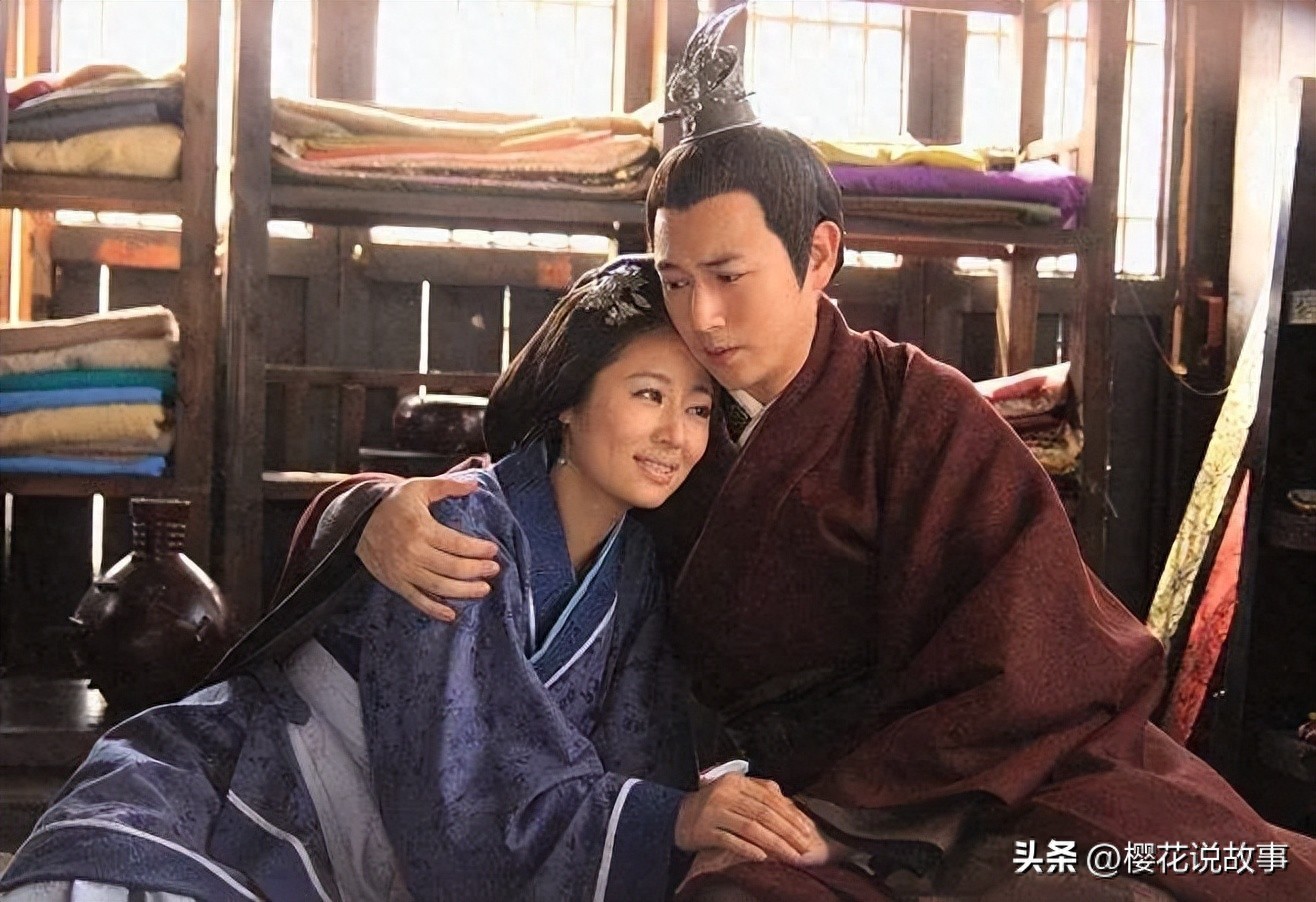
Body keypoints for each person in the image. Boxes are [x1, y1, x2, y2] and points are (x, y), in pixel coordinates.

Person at [313, 8, 1316, 900]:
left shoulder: (918, 410)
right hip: (778, 799)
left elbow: (1030, 656)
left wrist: (855, 814)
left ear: (819, 255)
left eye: (728, 274)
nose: (701, 316)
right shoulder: (659, 409)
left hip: (981, 777)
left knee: (1137, 878)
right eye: (675, 279)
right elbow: (511, 479)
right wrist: (371, 512)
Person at [0, 256, 827, 902]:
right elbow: (460, 796)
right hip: (257, 801)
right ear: (568, 401)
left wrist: (693, 811)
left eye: (697, 408)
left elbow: (636, 760)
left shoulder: (635, 569)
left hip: (384, 845)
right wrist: (670, 819)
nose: (676, 433)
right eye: (648, 394)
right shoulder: (455, 528)